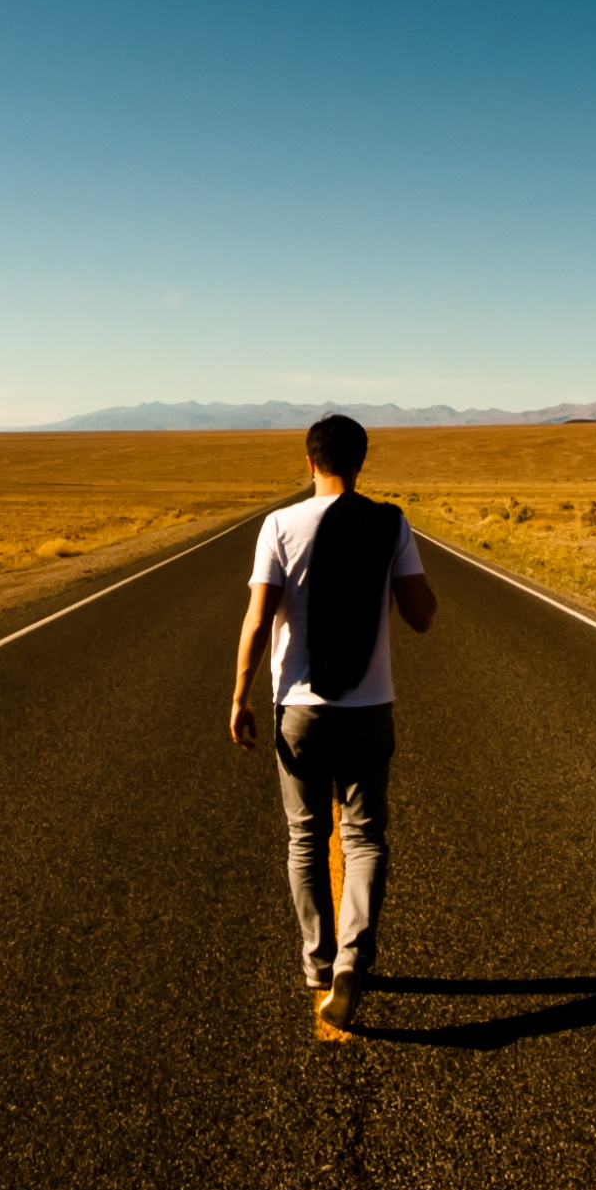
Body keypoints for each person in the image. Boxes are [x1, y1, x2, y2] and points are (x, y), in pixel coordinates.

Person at [228, 413, 438, 1040]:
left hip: (299, 710)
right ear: (362, 463)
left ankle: (320, 964)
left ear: (309, 462)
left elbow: (257, 618)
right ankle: (353, 959)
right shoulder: (391, 523)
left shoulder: (279, 526)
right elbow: (422, 616)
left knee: (305, 838)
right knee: (365, 839)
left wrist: (239, 694)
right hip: (369, 708)